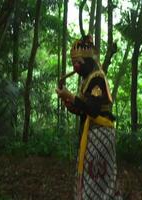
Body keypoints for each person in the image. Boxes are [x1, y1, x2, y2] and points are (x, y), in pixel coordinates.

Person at [56, 35, 121, 200]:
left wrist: (71, 96)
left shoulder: (97, 78)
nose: (75, 67)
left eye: (78, 63)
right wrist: (70, 102)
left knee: (99, 178)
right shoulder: (86, 80)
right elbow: (83, 110)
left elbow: (92, 110)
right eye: (73, 63)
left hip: (100, 134)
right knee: (92, 178)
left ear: (88, 61)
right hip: (90, 134)